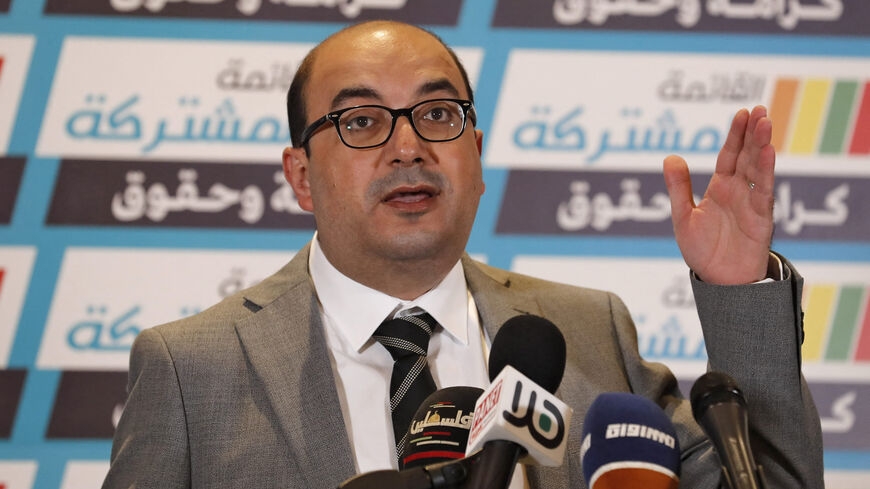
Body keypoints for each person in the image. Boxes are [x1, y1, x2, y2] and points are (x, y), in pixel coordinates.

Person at [102, 20, 824, 489]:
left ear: (474, 156)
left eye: (438, 115)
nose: (409, 146)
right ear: (300, 177)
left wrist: (738, 290)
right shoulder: (191, 368)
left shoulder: (588, 330)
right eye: (361, 121)